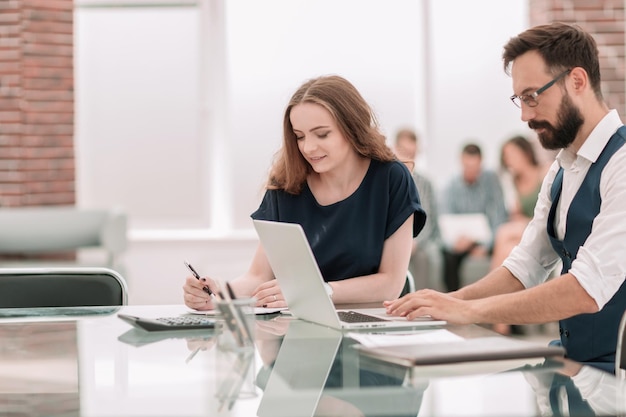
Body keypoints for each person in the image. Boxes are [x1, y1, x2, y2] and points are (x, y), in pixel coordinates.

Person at [385, 22, 626, 374]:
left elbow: (585, 290)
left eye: (532, 96)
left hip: (616, 377)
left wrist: (469, 312)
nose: (525, 115)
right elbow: (525, 265)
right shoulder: (562, 170)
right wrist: (447, 301)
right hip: (574, 366)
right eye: (520, 99)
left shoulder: (621, 164)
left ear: (577, 81)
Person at [183, 75, 426, 311]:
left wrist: (317, 292)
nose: (308, 147)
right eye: (299, 136)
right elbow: (258, 276)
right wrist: (218, 296)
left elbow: (391, 284)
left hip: (367, 326)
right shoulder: (287, 183)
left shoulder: (391, 178)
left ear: (352, 128)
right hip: (297, 327)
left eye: (322, 134)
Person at [490, 135, 546, 335]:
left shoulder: (545, 171)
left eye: (512, 154)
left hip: (541, 226)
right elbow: (515, 214)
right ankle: (501, 321)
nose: (509, 160)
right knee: (506, 248)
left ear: (525, 153)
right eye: (506, 157)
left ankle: (494, 314)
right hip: (523, 230)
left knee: (503, 233)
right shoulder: (511, 181)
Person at [439, 142, 508, 292]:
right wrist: (456, 242)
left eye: (475, 167)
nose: (471, 171)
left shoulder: (491, 181)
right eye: (467, 166)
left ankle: (492, 296)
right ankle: (452, 297)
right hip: (460, 242)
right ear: (461, 162)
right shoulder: (451, 186)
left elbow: (500, 216)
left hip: (486, 239)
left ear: (481, 164)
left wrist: (486, 245)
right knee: (448, 257)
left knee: (504, 250)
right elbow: (445, 219)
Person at [393, 128, 444, 292]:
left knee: (424, 257)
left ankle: (421, 301)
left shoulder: (425, 183)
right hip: (397, 238)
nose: (409, 158)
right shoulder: (390, 181)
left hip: (421, 240)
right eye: (405, 152)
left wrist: (414, 242)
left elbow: (428, 219)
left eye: (412, 153)